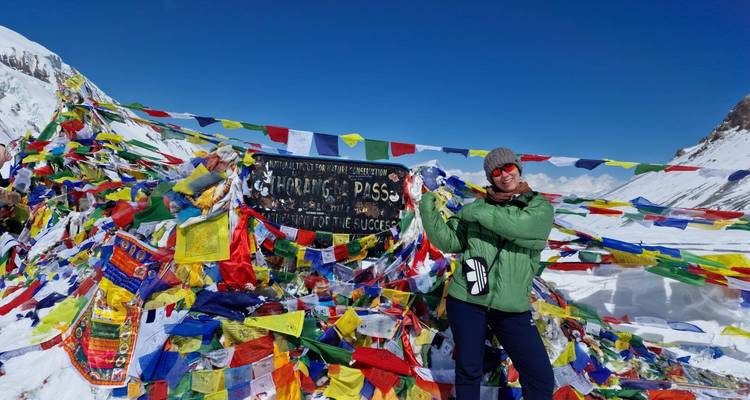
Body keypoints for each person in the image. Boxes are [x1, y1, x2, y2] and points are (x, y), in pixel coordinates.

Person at [419, 147, 555, 399]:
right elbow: (450, 241)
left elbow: (523, 229)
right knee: (469, 369)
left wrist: (477, 211)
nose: (504, 175)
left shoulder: (538, 207)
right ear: (490, 177)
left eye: (508, 168)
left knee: (540, 376)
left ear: (518, 169)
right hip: (468, 300)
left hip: (512, 307)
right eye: (496, 171)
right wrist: (428, 204)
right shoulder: (478, 206)